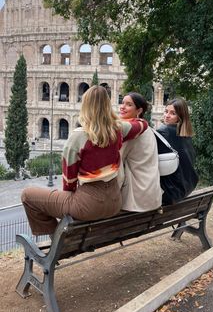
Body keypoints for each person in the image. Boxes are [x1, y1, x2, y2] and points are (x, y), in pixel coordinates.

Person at [21, 86, 148, 236]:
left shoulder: (78, 136)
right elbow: (142, 125)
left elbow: (69, 180)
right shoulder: (118, 129)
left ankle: (55, 238)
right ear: (108, 106)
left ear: (85, 106)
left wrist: (69, 198)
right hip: (114, 201)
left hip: (88, 204)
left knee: (27, 195)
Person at [118, 92, 163, 212]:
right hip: (151, 193)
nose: (122, 107)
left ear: (139, 110)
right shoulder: (147, 128)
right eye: (122, 103)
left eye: (129, 105)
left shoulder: (131, 130)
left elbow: (116, 161)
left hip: (136, 197)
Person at [157, 98, 199, 205]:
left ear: (180, 117)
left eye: (173, 113)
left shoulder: (164, 131)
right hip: (187, 186)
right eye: (166, 111)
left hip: (171, 192)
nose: (167, 115)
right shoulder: (186, 135)